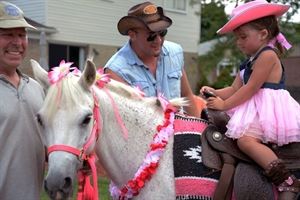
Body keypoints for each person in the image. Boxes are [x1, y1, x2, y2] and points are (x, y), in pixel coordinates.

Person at [200, 0, 300, 199]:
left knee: (246, 141)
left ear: (263, 34)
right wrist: (215, 92)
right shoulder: (249, 61)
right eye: (237, 38)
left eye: (243, 37)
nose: (239, 42)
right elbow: (234, 88)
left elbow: (251, 89)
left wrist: (224, 105)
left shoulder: (267, 55)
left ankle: (286, 180)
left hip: (269, 110)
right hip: (255, 107)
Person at [104, 1, 199, 117]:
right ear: (132, 34)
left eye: (162, 32)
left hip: (180, 131)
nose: (158, 40)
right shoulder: (116, 71)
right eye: (151, 35)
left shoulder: (175, 52)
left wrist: (197, 131)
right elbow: (126, 119)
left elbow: (187, 96)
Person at [0, 1, 45, 200]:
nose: (17, 42)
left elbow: (46, 147)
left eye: (21, 34)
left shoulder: (36, 89)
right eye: (8, 34)